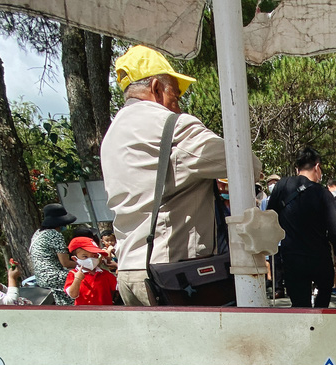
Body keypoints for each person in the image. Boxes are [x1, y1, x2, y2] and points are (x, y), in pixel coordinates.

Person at [101, 45, 261, 306]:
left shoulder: (112, 134)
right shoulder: (171, 126)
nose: (177, 107)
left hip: (129, 271)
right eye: (175, 98)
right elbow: (248, 165)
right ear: (156, 88)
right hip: (173, 276)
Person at [267, 146, 336, 308]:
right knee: (322, 306)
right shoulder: (323, 193)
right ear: (317, 167)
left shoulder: (282, 186)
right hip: (319, 258)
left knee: (300, 307)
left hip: (292, 257)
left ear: (298, 168)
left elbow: (269, 217)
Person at [29, 203, 77, 305]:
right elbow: (65, 263)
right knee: (83, 277)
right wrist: (83, 264)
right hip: (54, 276)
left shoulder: (38, 233)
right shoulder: (55, 235)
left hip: (40, 278)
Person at [65, 235, 118, 306]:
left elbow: (119, 286)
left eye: (94, 256)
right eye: (85, 256)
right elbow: (73, 295)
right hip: (84, 311)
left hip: (105, 310)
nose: (91, 259)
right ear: (75, 258)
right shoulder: (73, 274)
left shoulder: (104, 274)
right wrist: (77, 279)